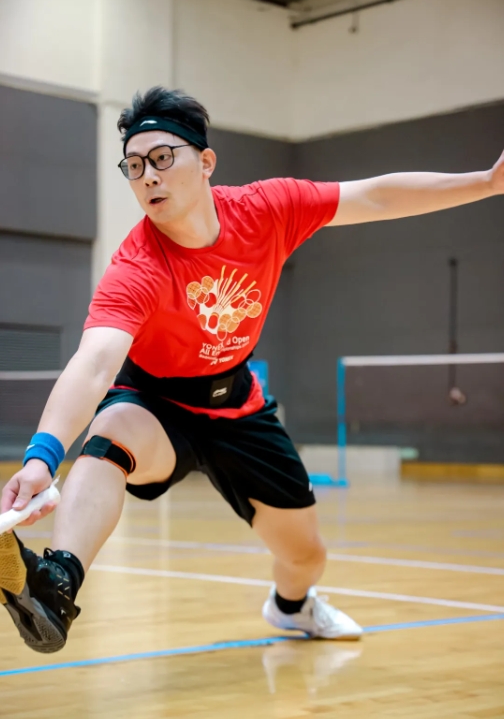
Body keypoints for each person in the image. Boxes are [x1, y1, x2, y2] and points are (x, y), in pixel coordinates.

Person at [0, 87, 502, 654]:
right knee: (110, 434)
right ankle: (56, 583)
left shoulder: (268, 210)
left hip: (237, 407)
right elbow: (93, 364)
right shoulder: (136, 265)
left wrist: (488, 182)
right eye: (134, 166)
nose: (148, 176)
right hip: (155, 406)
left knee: (305, 555)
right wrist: (41, 459)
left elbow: (376, 196)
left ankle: (292, 606)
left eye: (162, 157)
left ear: (206, 161)